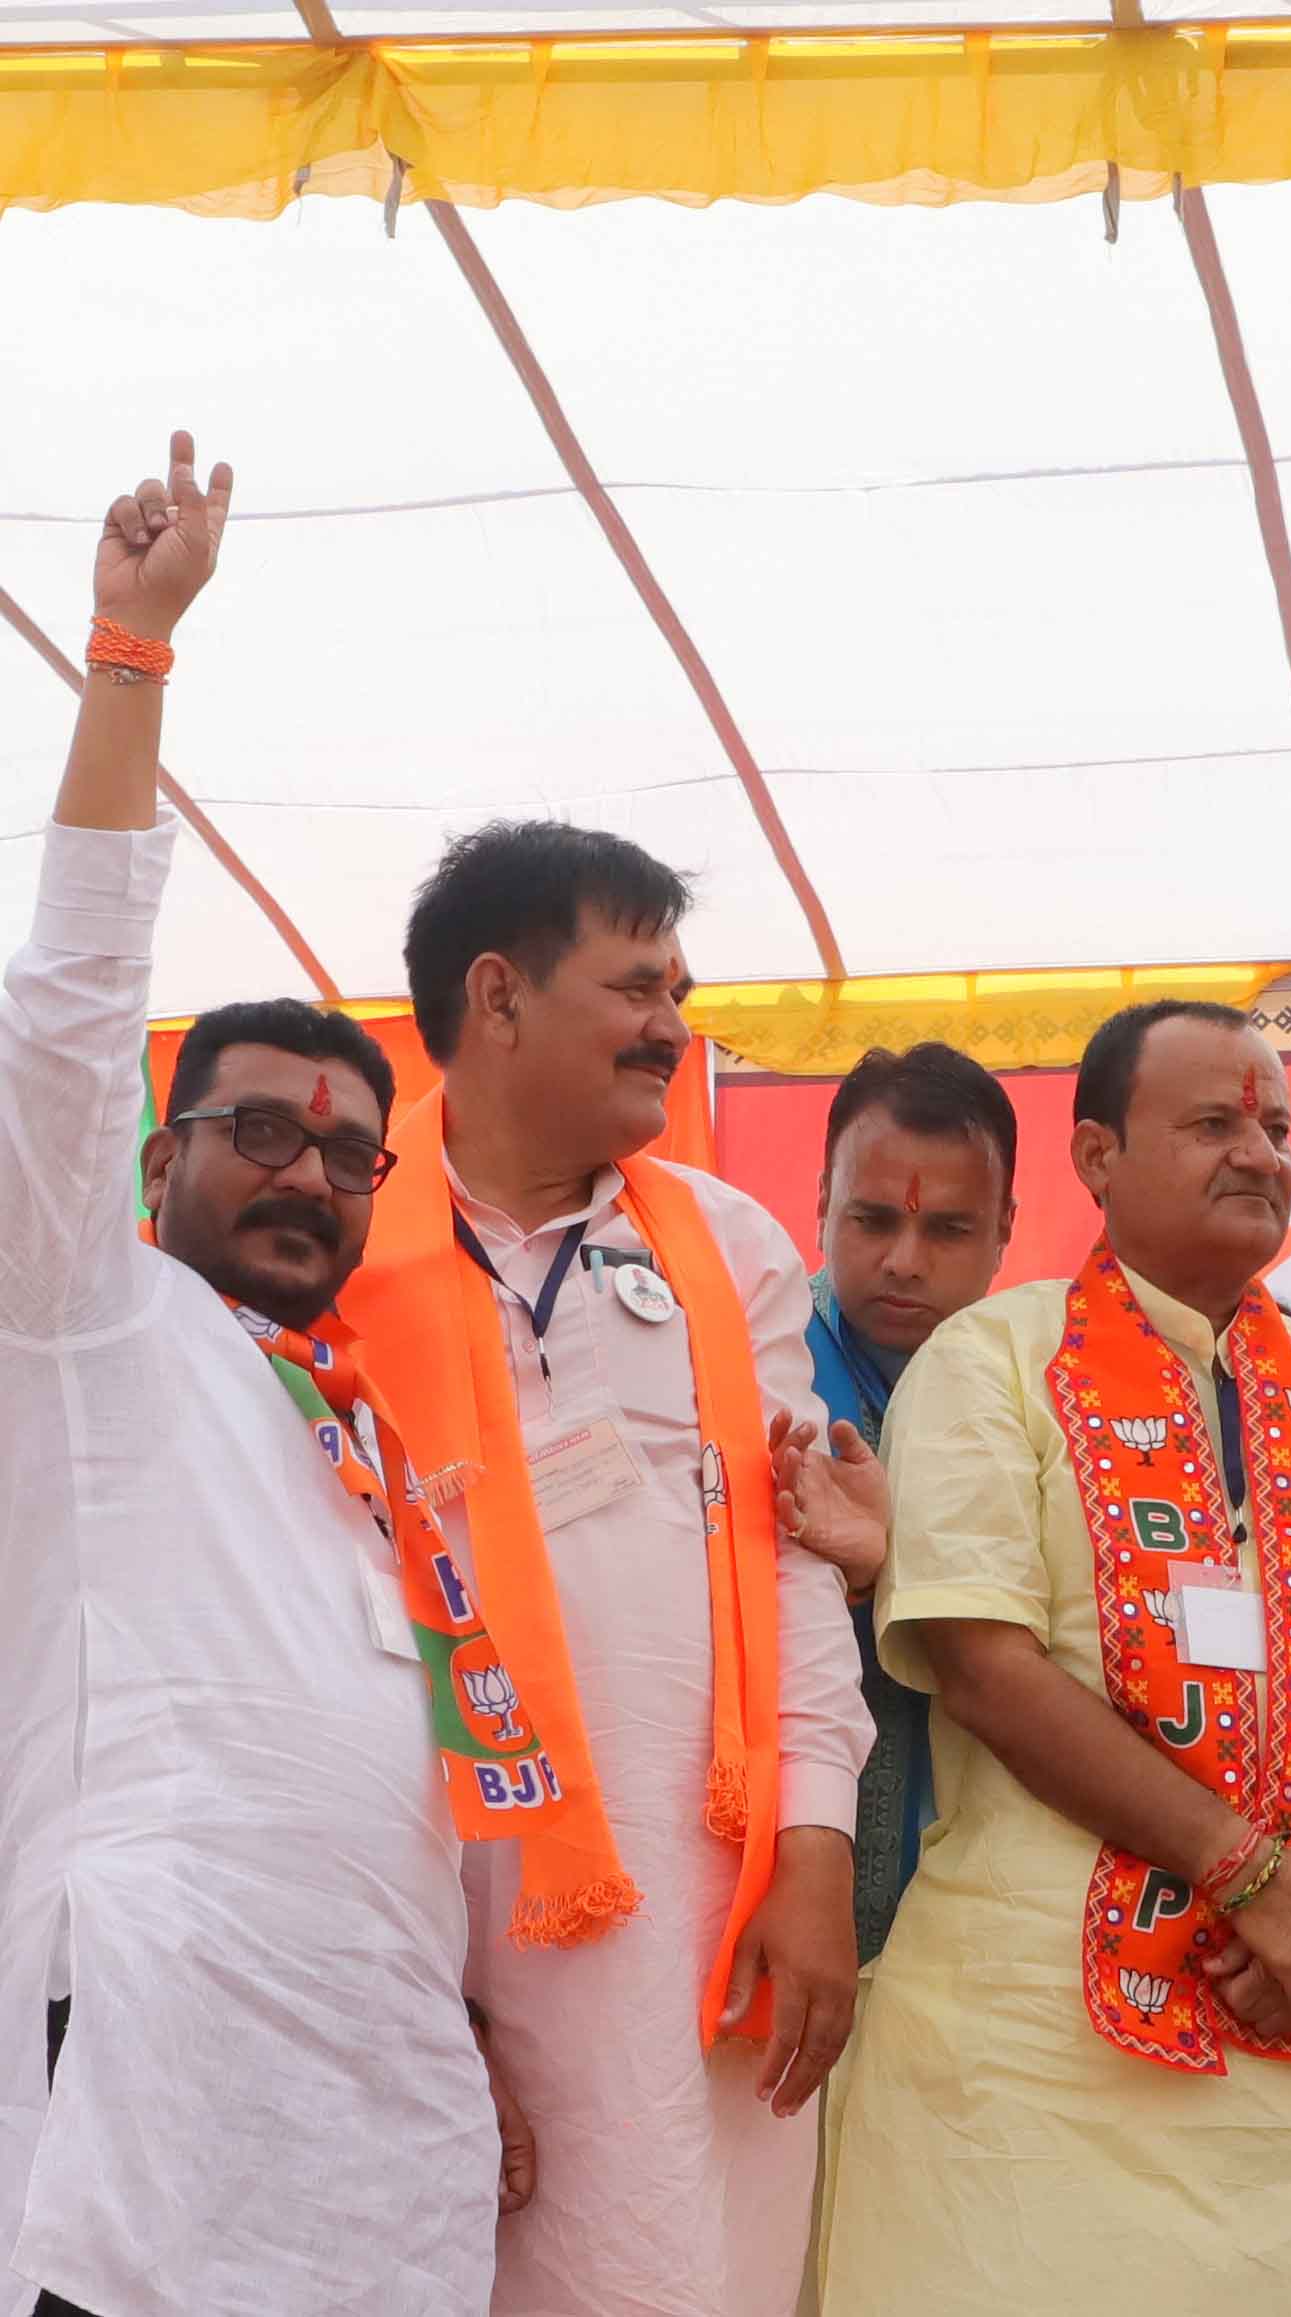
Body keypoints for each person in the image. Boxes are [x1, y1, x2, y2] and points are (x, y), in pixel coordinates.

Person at [815, 1000, 1291, 2317]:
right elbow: (981, 1658)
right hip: (1033, 2050)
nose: (1259, 1153)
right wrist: (1249, 1872)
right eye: (1213, 1123)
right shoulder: (993, 1358)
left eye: (1275, 1127)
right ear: (1096, 1157)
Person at [0, 437, 513, 2317]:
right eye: (259, 1129)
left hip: (380, 2151)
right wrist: (130, 658)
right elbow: (63, 1018)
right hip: (150, 2098)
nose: (308, 1167)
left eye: (350, 1148)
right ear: (156, 1163)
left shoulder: (366, 1429)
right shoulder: (84, 1319)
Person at [337, 818, 875, 2317]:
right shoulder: (338, 1253)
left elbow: (789, 1562)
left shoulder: (731, 1243)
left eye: (682, 990)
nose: (671, 1027)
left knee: (701, 2270)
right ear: (497, 996)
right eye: (638, 986)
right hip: (437, 1907)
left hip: (715, 1912)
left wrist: (819, 1844)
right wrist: (407, 1983)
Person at [793, 1041, 1021, 1962]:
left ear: (1007, 1226)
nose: (903, 1260)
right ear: (819, 1205)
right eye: (871, 1219)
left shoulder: (1046, 1390)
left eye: (949, 1230)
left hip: (989, 1909)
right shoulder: (743, 1365)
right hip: (786, 1890)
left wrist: (900, 1567)